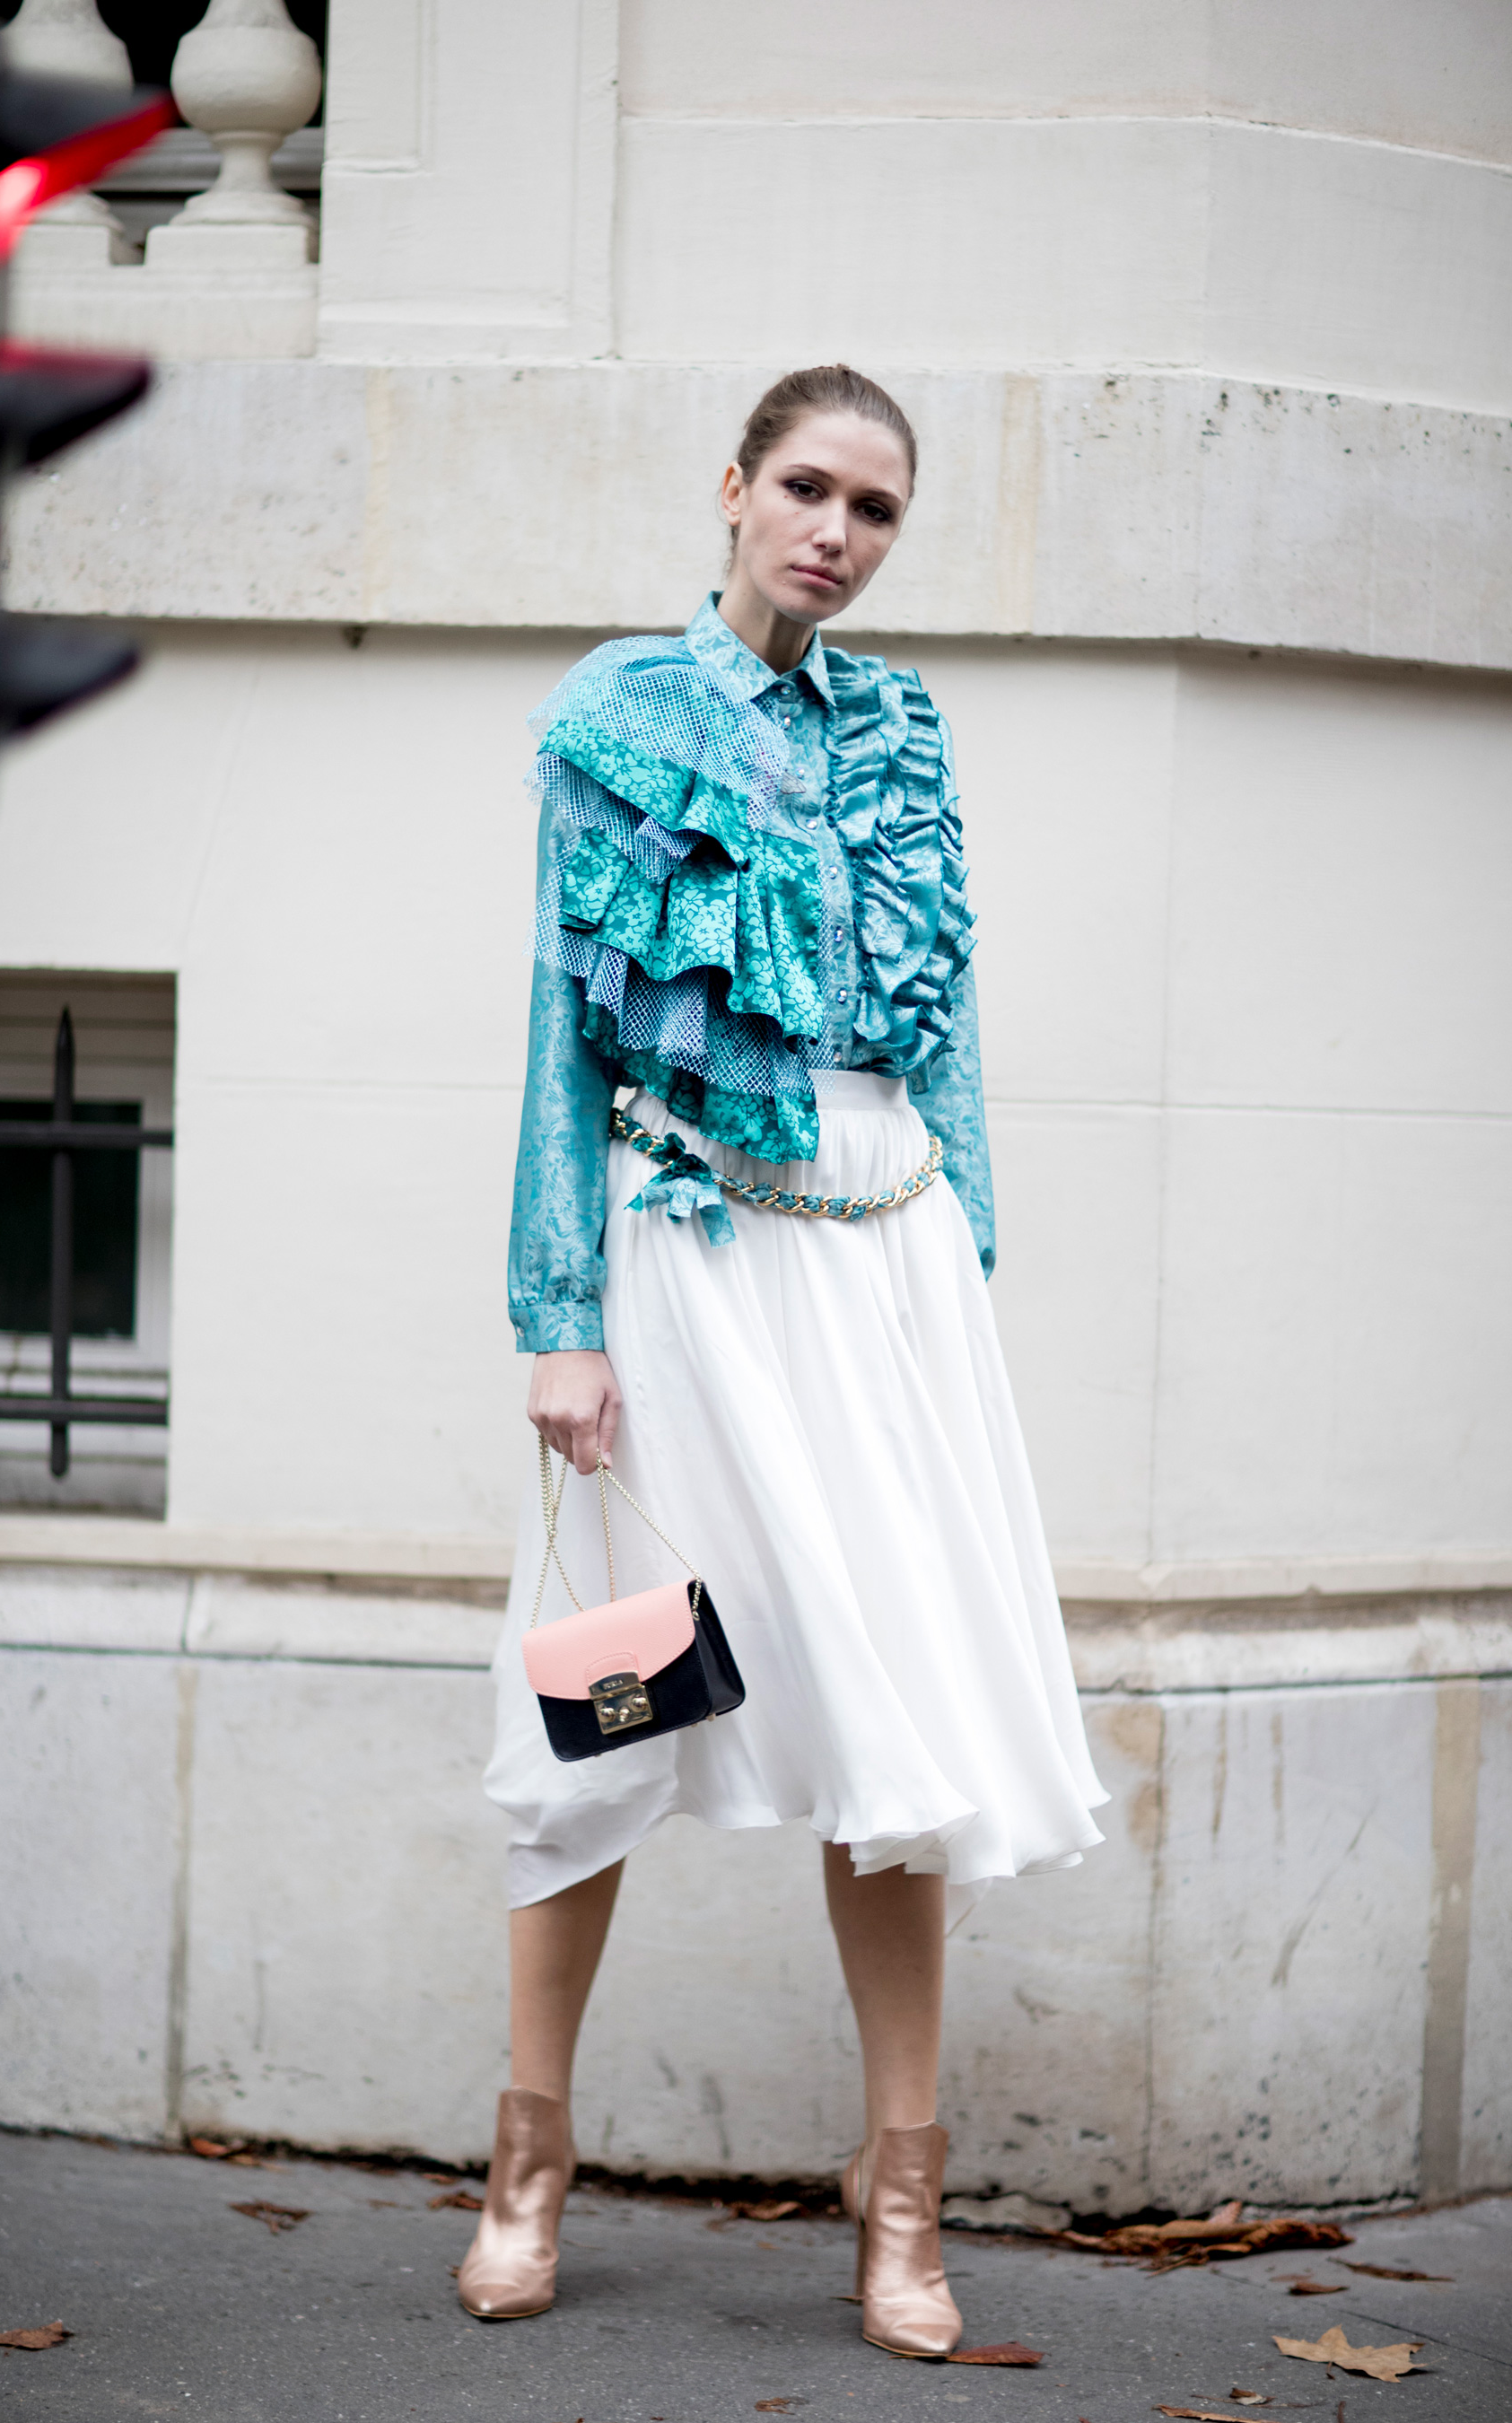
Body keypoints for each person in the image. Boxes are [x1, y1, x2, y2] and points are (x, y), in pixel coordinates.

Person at [459, 364, 1107, 2359]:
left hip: (881, 1261)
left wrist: (961, 1262)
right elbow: (562, 1027)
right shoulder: (621, 713)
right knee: (615, 1697)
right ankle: (528, 2160)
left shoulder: (902, 728)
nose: (837, 532)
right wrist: (559, 1318)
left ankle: (900, 2193)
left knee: (891, 1720)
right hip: (690, 1256)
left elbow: (950, 1025)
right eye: (808, 488)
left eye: (876, 508)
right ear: (734, 486)